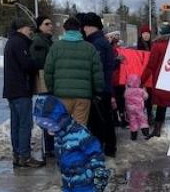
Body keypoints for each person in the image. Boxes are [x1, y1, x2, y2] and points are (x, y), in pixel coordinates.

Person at [44, 17, 104, 126]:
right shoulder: (90, 48)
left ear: (64, 29)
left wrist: (51, 89)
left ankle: (64, 144)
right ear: (79, 29)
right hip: (83, 96)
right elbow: (97, 73)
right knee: (79, 129)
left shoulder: (56, 47)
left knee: (62, 127)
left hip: (61, 95)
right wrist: (97, 91)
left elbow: (48, 71)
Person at [3, 17, 45, 168]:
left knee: (16, 124)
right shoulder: (20, 43)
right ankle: (24, 156)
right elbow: (26, 64)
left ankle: (17, 154)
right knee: (25, 124)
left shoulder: (11, 42)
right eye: (29, 28)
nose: (31, 32)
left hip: (12, 90)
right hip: (21, 89)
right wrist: (39, 64)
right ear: (21, 29)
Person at [83, 12, 118, 157]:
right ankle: (108, 147)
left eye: (84, 26)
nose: (83, 29)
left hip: (100, 89)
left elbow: (97, 67)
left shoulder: (96, 43)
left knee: (100, 121)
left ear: (90, 26)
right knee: (105, 120)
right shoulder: (101, 41)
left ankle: (104, 149)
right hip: (105, 87)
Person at [141, 22, 170, 139]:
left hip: (161, 80)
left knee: (161, 104)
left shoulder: (157, 46)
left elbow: (151, 65)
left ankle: (157, 129)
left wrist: (141, 80)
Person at [30, 15, 56, 159]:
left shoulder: (47, 41)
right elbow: (40, 61)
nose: (50, 26)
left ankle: (50, 147)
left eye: (51, 23)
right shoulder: (39, 42)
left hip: (50, 84)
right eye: (47, 24)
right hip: (44, 84)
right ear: (39, 26)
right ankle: (48, 148)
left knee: (51, 116)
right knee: (47, 116)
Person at [124, 74, 150, 140]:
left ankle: (133, 136)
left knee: (132, 121)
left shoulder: (127, 91)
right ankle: (146, 134)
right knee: (142, 120)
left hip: (130, 109)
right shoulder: (140, 90)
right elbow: (146, 97)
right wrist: (144, 91)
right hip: (139, 108)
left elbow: (125, 97)